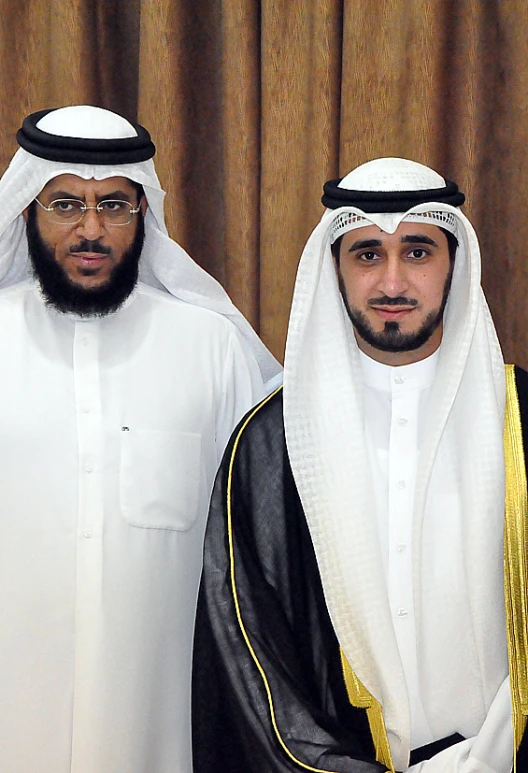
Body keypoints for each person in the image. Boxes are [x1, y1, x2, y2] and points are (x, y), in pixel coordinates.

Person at [192, 157, 528, 772]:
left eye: (419, 252)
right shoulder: (270, 444)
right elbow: (247, 652)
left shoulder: (524, 421)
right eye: (368, 254)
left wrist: (489, 757)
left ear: (456, 266)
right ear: (336, 270)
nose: (392, 283)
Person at [0, 105, 281, 773]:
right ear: (27, 212)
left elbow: (271, 531)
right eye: (65, 203)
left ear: (143, 214)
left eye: (114, 206)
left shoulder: (213, 348)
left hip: (162, 724)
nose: (90, 228)